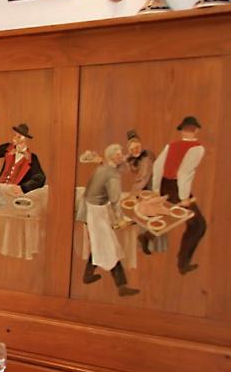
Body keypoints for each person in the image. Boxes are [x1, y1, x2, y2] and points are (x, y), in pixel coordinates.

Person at [151, 116, 206, 275]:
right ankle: (183, 263)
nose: (189, 131)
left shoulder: (171, 146)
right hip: (177, 188)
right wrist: (184, 198)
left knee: (170, 215)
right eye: (188, 129)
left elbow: (157, 167)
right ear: (196, 130)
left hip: (165, 185)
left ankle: (147, 237)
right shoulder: (197, 148)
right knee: (198, 225)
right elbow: (184, 173)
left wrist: (156, 190)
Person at [83, 144, 139, 296]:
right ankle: (122, 287)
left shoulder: (101, 169)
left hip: (92, 209)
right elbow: (115, 199)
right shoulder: (112, 174)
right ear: (112, 157)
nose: (121, 156)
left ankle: (87, 275)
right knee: (109, 248)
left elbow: (89, 191)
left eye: (121, 154)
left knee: (99, 245)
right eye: (118, 154)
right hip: (98, 212)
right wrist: (120, 219)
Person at [0, 119, 46, 194]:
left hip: (14, 194)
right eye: (15, 135)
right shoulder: (8, 148)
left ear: (25, 139)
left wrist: (23, 188)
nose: (15, 138)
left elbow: (40, 178)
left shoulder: (32, 158)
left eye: (19, 136)